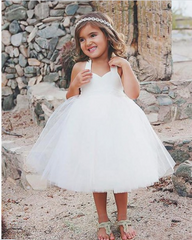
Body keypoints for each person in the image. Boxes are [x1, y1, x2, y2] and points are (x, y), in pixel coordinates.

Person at [27, 12, 175, 240]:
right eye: (82, 39)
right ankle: (103, 220)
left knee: (120, 171)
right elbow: (71, 96)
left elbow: (133, 94)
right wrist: (75, 84)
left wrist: (126, 66)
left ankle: (123, 218)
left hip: (118, 125)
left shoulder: (118, 65)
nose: (87, 43)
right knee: (96, 172)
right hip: (91, 127)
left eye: (93, 35)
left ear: (107, 36)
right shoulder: (80, 67)